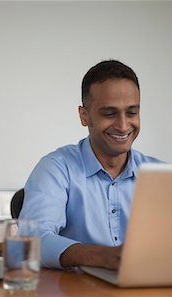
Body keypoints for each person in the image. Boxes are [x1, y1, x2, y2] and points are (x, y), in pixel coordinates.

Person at [19, 60, 162, 270]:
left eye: (131, 112)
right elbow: (32, 240)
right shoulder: (56, 168)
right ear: (84, 115)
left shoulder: (160, 175)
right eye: (110, 113)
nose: (123, 126)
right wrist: (104, 257)